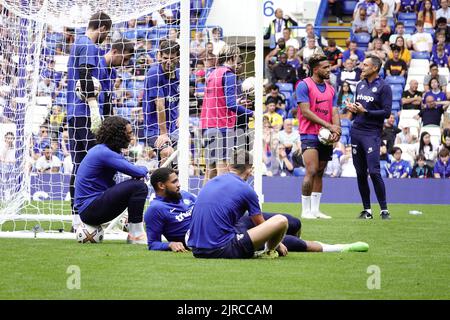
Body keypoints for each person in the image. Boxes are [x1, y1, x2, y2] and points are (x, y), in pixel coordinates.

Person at [145, 167, 369, 254]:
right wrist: (169, 244)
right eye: (174, 182)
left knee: (293, 222)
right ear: (161, 186)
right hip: (209, 238)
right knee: (285, 237)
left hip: (229, 225)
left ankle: (276, 243)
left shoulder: (186, 196)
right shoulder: (155, 209)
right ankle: (337, 248)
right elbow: (152, 243)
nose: (179, 184)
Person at [66, 12, 112, 231]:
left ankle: (77, 219)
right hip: (85, 113)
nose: (106, 37)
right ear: (101, 27)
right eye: (107, 32)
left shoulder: (78, 44)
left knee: (79, 165)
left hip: (75, 114)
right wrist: (94, 106)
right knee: (91, 165)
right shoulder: (88, 46)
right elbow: (85, 75)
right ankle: (86, 216)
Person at [74, 116, 149, 244]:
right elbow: (139, 172)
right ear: (118, 134)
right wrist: (145, 168)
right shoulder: (104, 153)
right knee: (138, 186)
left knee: (132, 186)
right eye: (129, 133)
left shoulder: (102, 150)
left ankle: (127, 221)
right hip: (91, 210)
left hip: (89, 208)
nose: (132, 136)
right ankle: (135, 235)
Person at [346, 55, 392, 220]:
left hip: (372, 133)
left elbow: (386, 112)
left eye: (365, 65)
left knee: (374, 171)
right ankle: (367, 210)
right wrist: (353, 108)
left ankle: (384, 209)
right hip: (356, 131)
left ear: (374, 68)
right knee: (360, 172)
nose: (361, 67)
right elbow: (360, 108)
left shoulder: (384, 87)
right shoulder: (360, 85)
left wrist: (367, 112)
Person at [295, 54, 341, 219]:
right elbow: (305, 111)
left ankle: (315, 210)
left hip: (325, 135)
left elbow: (334, 110)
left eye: (329, 67)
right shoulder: (303, 85)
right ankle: (305, 210)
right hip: (309, 133)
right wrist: (329, 125)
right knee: (311, 170)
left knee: (320, 172)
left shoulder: (331, 88)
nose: (329, 70)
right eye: (326, 67)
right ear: (315, 69)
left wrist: (337, 129)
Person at [199, 45, 253, 184]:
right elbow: (230, 104)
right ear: (233, 57)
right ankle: (222, 205)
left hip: (206, 124)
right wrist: (252, 113)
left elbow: (221, 100)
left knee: (210, 172)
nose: (239, 62)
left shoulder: (213, 73)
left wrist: (238, 102)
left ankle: (200, 204)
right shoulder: (229, 75)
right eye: (238, 58)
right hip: (220, 126)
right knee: (222, 172)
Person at [142, 40, 180, 155]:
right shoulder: (154, 73)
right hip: (155, 130)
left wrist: (181, 115)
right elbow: (160, 105)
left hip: (173, 128)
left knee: (183, 152)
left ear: (178, 57)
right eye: (165, 58)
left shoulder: (180, 75)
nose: (168, 62)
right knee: (167, 152)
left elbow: (183, 99)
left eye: (172, 58)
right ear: (160, 56)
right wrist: (163, 133)